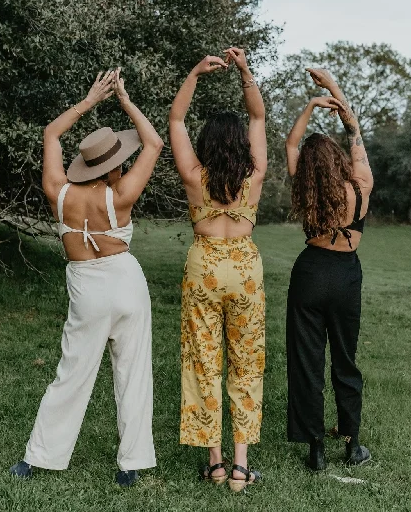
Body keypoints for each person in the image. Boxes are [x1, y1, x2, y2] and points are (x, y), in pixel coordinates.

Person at [9, 68, 164, 487]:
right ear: (114, 163)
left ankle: (36, 459)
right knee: (132, 373)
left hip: (87, 286)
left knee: (73, 371)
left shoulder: (58, 191)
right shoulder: (122, 195)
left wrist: (90, 100)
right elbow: (154, 142)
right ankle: (129, 465)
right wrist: (125, 101)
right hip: (126, 283)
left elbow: (51, 135)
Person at [169, 48, 267, 492]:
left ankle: (214, 462)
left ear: (207, 143)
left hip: (203, 266)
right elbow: (260, 119)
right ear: (242, 145)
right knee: (246, 363)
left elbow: (175, 121)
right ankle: (241, 467)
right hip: (245, 268)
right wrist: (246, 73)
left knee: (204, 361)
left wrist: (193, 73)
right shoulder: (255, 175)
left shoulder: (194, 176)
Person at [285, 68, 374, 471]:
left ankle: (316, 449)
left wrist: (308, 106)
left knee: (306, 360)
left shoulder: (306, 188)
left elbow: (290, 143)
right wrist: (332, 90)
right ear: (339, 160)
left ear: (307, 166)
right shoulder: (360, 185)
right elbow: (353, 127)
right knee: (345, 358)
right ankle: (353, 445)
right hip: (345, 275)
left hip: (310, 273)